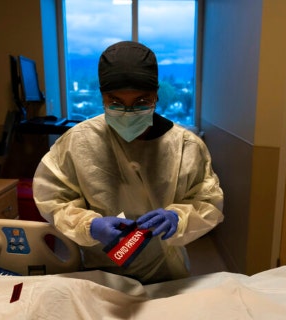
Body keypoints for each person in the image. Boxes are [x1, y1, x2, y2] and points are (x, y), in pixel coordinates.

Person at [33, 41, 224, 284]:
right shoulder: (77, 143)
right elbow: (54, 199)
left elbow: (207, 201)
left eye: (141, 102)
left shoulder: (186, 146)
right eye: (116, 102)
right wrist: (90, 226)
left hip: (166, 273)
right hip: (101, 273)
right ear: (102, 97)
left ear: (156, 95)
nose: (128, 112)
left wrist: (179, 218)